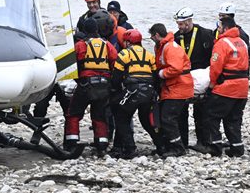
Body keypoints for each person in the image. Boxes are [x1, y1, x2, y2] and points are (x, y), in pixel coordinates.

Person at [64, 15, 118, 155]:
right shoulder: (107, 45)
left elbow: (73, 65)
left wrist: (77, 81)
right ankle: (101, 144)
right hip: (103, 86)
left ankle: (71, 143)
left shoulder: (81, 45)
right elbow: (115, 64)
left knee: (73, 114)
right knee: (100, 115)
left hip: (86, 85)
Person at [202, 16, 250, 157]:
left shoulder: (222, 43)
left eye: (220, 27)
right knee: (233, 119)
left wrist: (211, 86)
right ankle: (237, 148)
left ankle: (215, 147)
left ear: (226, 28)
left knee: (211, 115)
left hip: (227, 87)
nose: (218, 29)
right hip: (242, 87)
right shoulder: (242, 42)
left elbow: (216, 67)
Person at [109, 29, 160, 159]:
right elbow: (155, 76)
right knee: (146, 120)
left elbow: (116, 77)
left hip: (133, 90)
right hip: (149, 91)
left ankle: (130, 149)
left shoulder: (124, 54)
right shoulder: (149, 55)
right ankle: (161, 145)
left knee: (122, 117)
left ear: (127, 42)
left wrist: (115, 91)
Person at [148, 22, 194, 157]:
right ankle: (169, 145)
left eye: (151, 36)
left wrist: (161, 74)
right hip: (172, 87)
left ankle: (178, 148)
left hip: (178, 87)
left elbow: (176, 68)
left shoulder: (170, 48)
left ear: (156, 35)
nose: (151, 39)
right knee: (167, 118)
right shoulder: (164, 47)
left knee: (168, 118)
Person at [173, 7, 215, 149]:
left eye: (182, 24)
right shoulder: (176, 37)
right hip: (183, 79)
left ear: (190, 21)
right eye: (178, 24)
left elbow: (214, 58)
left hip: (201, 79)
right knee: (180, 112)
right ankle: (183, 142)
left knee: (201, 112)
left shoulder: (205, 34)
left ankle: (203, 142)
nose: (180, 27)